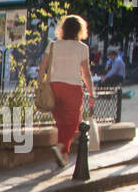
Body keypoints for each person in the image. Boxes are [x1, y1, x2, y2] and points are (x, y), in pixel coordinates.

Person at [37, 14, 95, 167]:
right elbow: (86, 73)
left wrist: (39, 84)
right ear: (80, 30)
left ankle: (62, 156)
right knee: (74, 122)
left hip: (55, 87)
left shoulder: (53, 45)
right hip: (73, 87)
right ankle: (61, 147)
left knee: (62, 122)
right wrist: (92, 93)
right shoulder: (83, 48)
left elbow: (43, 66)